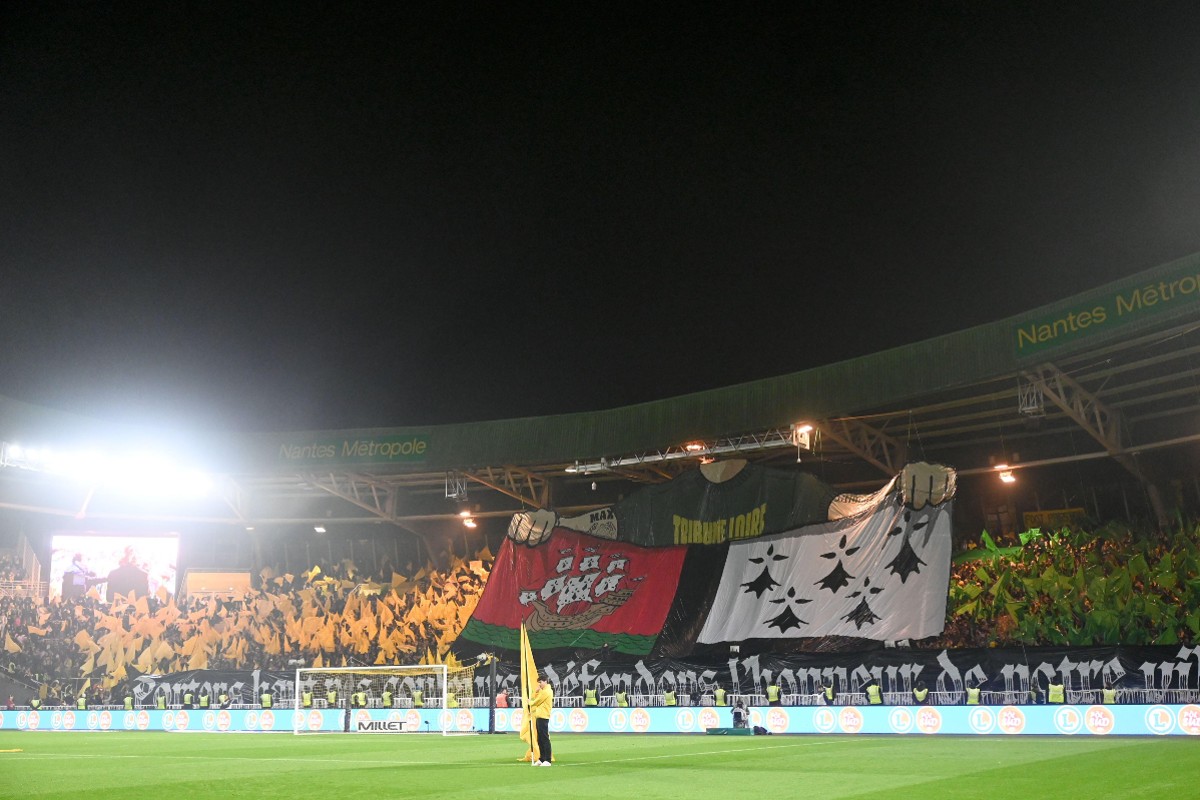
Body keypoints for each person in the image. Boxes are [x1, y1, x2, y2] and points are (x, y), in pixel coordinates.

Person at [529, 678, 554, 766]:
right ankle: (542, 758)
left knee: (544, 738)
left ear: (545, 681)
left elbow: (537, 701)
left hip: (543, 716)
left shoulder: (547, 691)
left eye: (540, 682)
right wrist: (536, 692)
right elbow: (538, 698)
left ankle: (548, 760)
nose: (539, 684)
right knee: (540, 739)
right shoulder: (543, 691)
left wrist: (530, 702)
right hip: (539, 716)